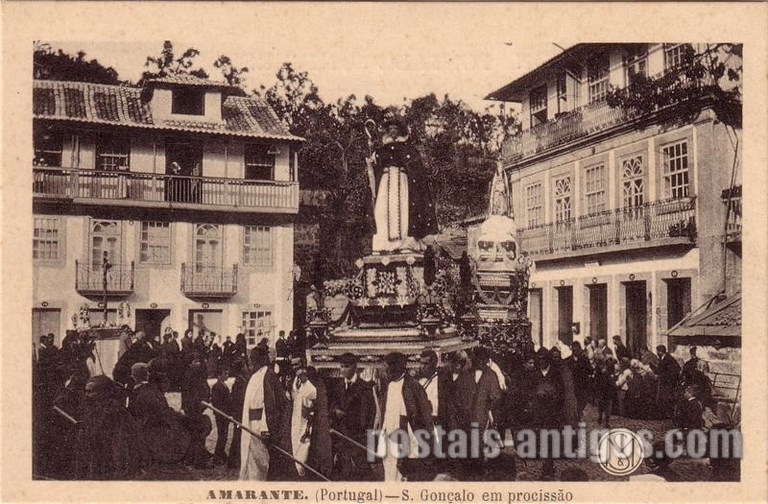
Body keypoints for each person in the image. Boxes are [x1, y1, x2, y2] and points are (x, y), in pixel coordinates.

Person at [365, 117, 438, 253]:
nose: (393, 131)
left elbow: (416, 169)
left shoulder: (408, 149)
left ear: (400, 131)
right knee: (382, 211)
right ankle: (383, 244)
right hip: (385, 183)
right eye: (390, 129)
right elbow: (376, 168)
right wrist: (373, 159)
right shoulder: (382, 150)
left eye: (395, 128)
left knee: (403, 210)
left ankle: (404, 243)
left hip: (402, 182)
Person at [378, 352, 434, 482]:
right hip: (389, 439)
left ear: (397, 367)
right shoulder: (389, 386)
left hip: (407, 440)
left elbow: (424, 417)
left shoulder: (413, 386)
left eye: (388, 366)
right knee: (390, 475)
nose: (385, 370)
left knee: (405, 477)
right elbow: (386, 416)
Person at [74, 376, 143, 480]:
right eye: (86, 391)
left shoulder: (115, 412)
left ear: (104, 393)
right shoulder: (93, 411)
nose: (87, 395)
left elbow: (121, 446)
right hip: (95, 463)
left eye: (91, 392)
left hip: (110, 466)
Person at [329, 352, 376, 481]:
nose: (343, 370)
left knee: (362, 468)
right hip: (342, 434)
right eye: (341, 366)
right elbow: (331, 405)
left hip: (358, 436)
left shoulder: (365, 387)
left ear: (355, 367)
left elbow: (370, 412)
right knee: (344, 468)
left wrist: (365, 433)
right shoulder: (337, 386)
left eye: (346, 366)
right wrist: (335, 411)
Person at [240, 346, 283, 481]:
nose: (251, 362)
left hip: (262, 426)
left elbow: (271, 404)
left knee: (262, 461)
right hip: (250, 425)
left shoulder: (268, 375)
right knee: (251, 459)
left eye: (253, 359)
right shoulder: (255, 376)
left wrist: (265, 428)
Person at [227, 359, 249, 470]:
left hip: (240, 413)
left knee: (239, 436)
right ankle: (233, 462)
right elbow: (239, 400)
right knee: (237, 437)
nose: (247, 368)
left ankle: (235, 461)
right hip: (240, 414)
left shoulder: (241, 380)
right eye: (245, 366)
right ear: (241, 369)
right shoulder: (239, 383)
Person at [211, 366, 231, 465]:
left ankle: (221, 454)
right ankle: (217, 456)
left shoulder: (222, 385)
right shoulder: (218, 386)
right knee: (222, 435)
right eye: (225, 373)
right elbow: (216, 402)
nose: (227, 375)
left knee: (224, 435)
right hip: (221, 415)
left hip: (224, 414)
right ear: (220, 375)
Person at [655, 345, 681, 419]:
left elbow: (673, 371)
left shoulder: (668, 359)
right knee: (664, 397)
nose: (657, 353)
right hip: (666, 381)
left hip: (669, 382)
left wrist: (663, 375)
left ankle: (668, 414)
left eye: (658, 351)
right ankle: (665, 413)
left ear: (661, 351)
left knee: (667, 397)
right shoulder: (663, 358)